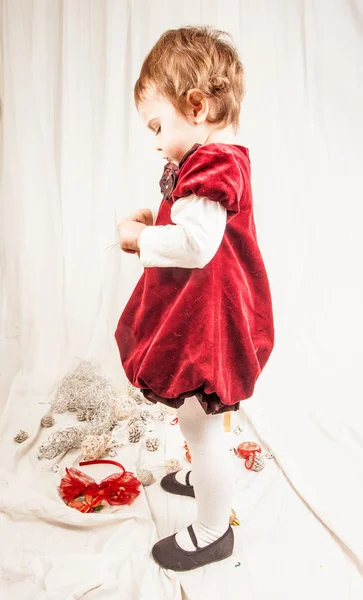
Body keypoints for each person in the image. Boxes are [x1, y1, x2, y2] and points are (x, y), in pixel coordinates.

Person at [115, 25, 275, 571]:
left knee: (204, 425)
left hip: (212, 319)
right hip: (202, 308)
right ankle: (203, 477)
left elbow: (197, 244)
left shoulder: (214, 163)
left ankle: (213, 530)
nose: (156, 141)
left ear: (198, 106)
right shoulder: (212, 161)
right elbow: (191, 222)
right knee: (192, 418)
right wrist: (155, 215)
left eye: (158, 126)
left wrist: (140, 239)